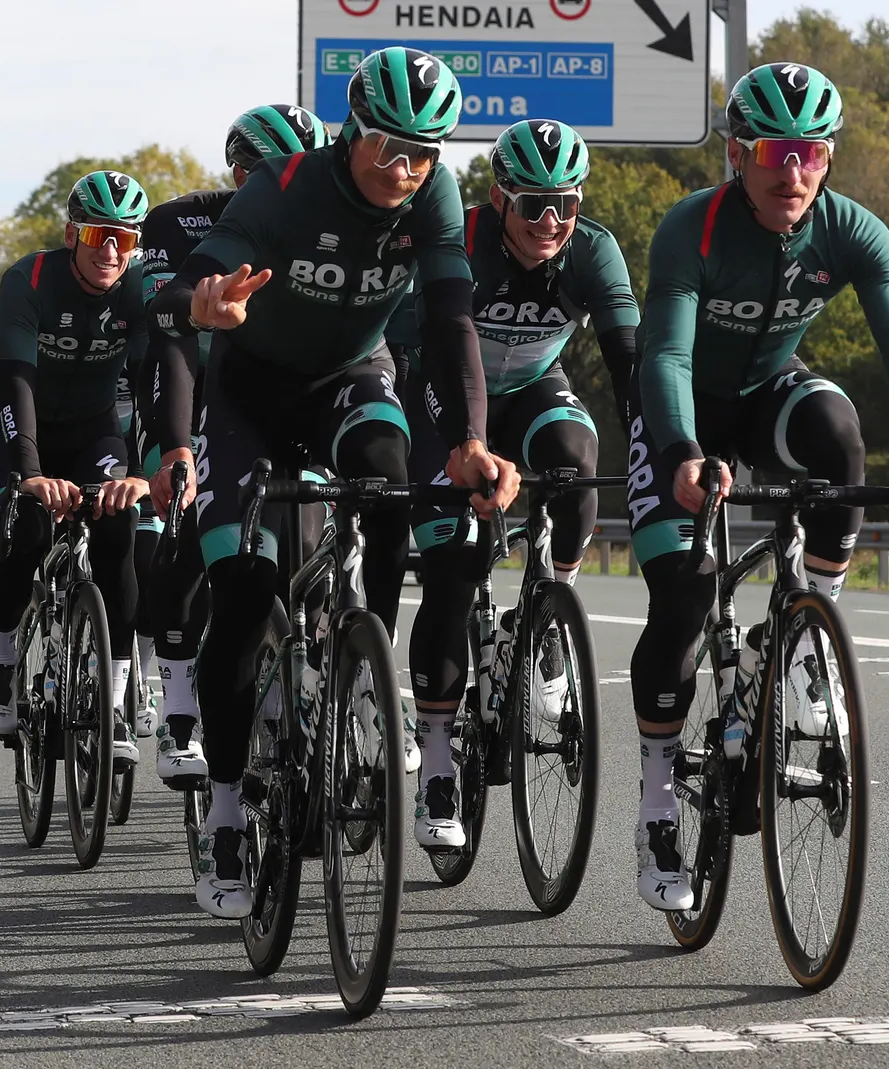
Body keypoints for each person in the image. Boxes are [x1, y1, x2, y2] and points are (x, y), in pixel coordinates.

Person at [148, 48, 519, 919]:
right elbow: (186, 283)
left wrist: (468, 440)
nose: (405, 169)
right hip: (247, 396)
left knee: (390, 489)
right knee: (243, 592)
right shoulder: (281, 188)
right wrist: (206, 301)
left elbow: (452, 315)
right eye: (390, 147)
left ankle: (363, 663)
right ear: (352, 130)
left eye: (424, 152)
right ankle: (231, 810)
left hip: (353, 378)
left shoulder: (431, 193)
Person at [624, 63, 889, 911]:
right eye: (773, 150)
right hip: (682, 416)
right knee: (684, 598)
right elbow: (662, 356)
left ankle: (809, 633)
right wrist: (682, 455)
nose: (792, 171)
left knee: (839, 432)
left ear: (830, 158)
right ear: (737, 153)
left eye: (810, 152)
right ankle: (659, 799)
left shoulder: (852, 231)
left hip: (770, 393)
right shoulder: (691, 231)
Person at [391, 118, 638, 849]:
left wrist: (658, 441)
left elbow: (628, 359)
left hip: (531, 386)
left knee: (574, 463)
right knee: (453, 567)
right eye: (533, 205)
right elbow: (449, 342)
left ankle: (549, 611)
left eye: (565, 202)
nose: (552, 221)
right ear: (499, 199)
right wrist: (465, 442)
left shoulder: (592, 250)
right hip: (438, 391)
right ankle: (437, 758)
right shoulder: (460, 242)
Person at [135, 103, 334, 788]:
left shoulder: (330, 220)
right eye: (275, 175)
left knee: (310, 548)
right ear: (241, 173)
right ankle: (181, 701)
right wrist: (174, 446)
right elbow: (171, 341)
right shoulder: (178, 222)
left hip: (275, 391)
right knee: (188, 529)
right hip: (189, 381)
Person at [0, 171, 154, 775]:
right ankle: (2, 660)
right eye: (101, 234)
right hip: (17, 427)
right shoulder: (28, 282)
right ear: (73, 232)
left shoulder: (137, 295)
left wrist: (142, 471)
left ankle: (116, 697)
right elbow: (17, 380)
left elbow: (156, 389)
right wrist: (29, 472)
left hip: (95, 431)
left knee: (118, 528)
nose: (111, 251)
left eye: (125, 240)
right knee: (27, 532)